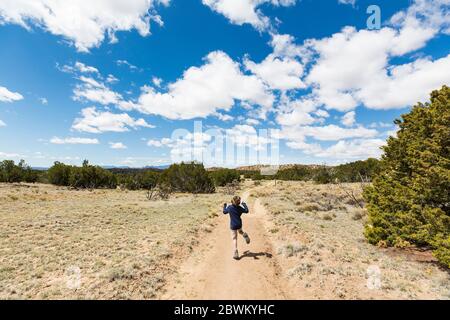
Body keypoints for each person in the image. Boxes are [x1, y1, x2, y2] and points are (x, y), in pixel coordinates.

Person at [223, 195, 251, 260]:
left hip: (233, 225)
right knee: (240, 231)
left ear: (232, 201)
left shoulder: (229, 207)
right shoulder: (240, 208)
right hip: (239, 224)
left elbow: (224, 212)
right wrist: (244, 204)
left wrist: (224, 206)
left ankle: (236, 252)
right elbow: (246, 211)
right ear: (239, 202)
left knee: (234, 238)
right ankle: (244, 234)